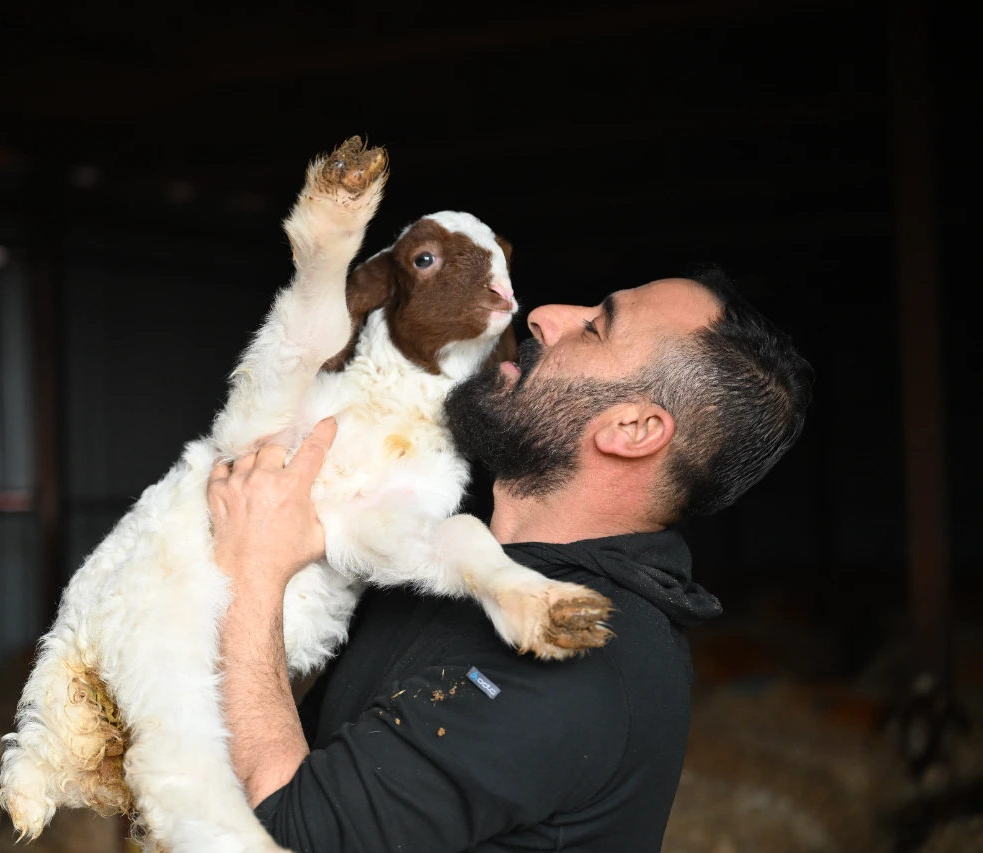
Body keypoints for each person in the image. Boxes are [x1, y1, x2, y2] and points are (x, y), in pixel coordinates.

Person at [206, 268, 813, 852]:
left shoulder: (577, 656)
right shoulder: (452, 569)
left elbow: (287, 837)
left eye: (597, 327)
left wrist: (250, 571)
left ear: (632, 429)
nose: (545, 316)